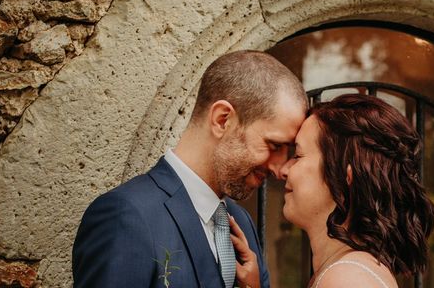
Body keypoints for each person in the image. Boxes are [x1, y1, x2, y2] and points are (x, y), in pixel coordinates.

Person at [73, 50, 308, 288]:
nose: (279, 169)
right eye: (274, 145)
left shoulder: (241, 222)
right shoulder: (126, 217)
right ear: (222, 119)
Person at [234, 93, 434, 288]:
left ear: (347, 177)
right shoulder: (347, 270)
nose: (283, 170)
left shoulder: (347, 279)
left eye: (298, 155)